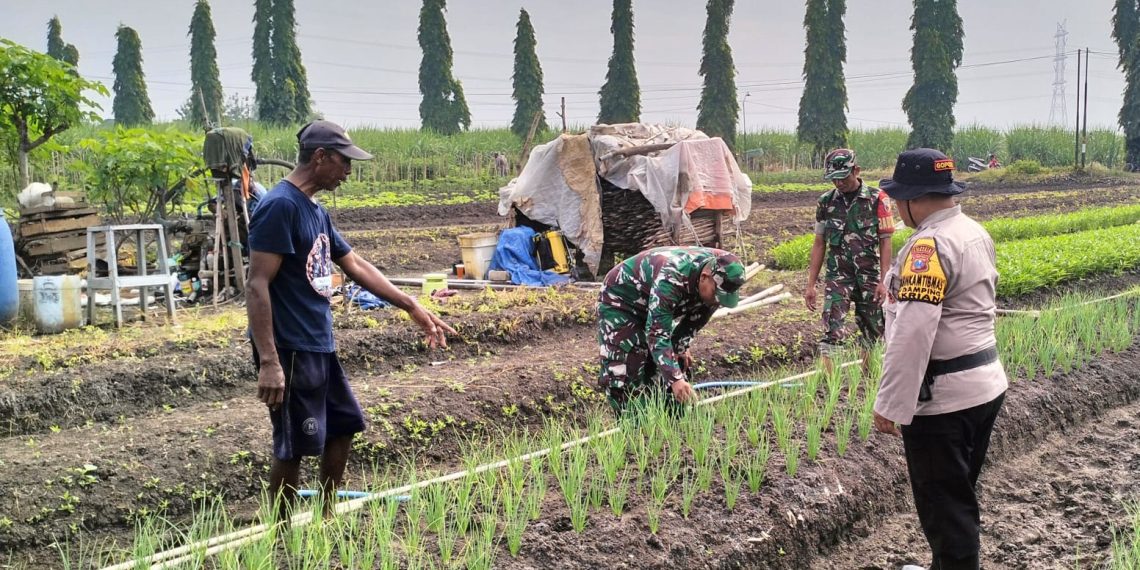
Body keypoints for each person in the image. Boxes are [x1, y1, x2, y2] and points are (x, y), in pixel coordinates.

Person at [247, 120, 455, 520]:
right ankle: (280, 536)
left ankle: (324, 518)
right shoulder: (279, 206)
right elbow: (256, 286)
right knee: (292, 445)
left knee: (344, 425)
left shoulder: (315, 211)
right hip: (289, 346)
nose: (348, 172)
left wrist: (411, 304)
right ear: (320, 157)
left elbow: (355, 264)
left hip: (318, 343)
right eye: (344, 162)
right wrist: (270, 361)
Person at [872, 148, 1008, 570]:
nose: (896, 208)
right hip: (984, 386)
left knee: (946, 509)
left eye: (898, 199)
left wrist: (890, 404)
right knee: (958, 493)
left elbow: (913, 334)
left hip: (944, 401)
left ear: (915, 198)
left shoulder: (927, 248)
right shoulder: (973, 231)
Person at [596, 246, 746, 416]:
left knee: (675, 359)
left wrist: (680, 346)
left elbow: (695, 321)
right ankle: (635, 427)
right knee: (626, 369)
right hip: (622, 303)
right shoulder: (672, 277)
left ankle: (672, 421)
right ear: (705, 277)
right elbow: (657, 334)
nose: (717, 301)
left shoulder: (724, 268)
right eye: (715, 294)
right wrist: (675, 379)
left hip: (657, 303)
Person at [804, 148, 895, 372]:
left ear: (856, 170)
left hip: (869, 275)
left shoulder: (878, 199)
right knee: (832, 327)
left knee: (872, 328)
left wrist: (885, 281)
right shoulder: (825, 202)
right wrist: (811, 284)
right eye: (834, 179)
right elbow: (819, 243)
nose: (839, 183)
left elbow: (885, 242)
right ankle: (829, 384)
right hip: (838, 276)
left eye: (843, 177)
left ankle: (868, 375)